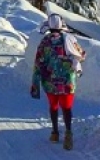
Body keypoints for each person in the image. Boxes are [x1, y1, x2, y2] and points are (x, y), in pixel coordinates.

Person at [30, 13, 86, 151]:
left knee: (53, 106)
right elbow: (81, 55)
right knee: (66, 107)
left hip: (49, 79)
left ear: (49, 26)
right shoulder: (69, 39)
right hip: (67, 80)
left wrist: (35, 80)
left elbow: (38, 62)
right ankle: (68, 133)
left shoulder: (44, 42)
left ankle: (55, 133)